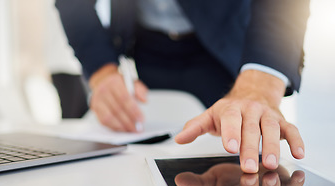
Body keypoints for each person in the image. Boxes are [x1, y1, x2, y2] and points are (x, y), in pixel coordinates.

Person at [55, 0, 310, 173]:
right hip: (146, 47)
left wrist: (260, 86)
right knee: (147, 170)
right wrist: (102, 70)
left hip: (225, 50)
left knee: (232, 162)